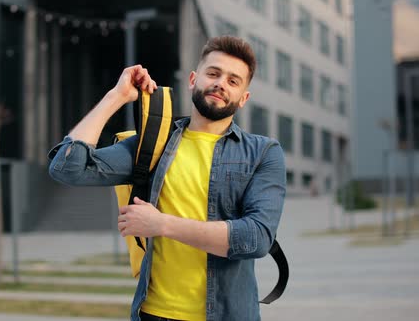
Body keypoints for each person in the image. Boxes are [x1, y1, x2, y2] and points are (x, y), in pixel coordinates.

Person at [48, 36, 286, 321]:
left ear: (244, 98)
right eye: (213, 73)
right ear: (193, 79)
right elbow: (68, 168)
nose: (221, 83)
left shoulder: (263, 153)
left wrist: (161, 224)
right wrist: (116, 97)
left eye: (233, 81)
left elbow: (255, 239)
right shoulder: (154, 144)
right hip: (153, 314)